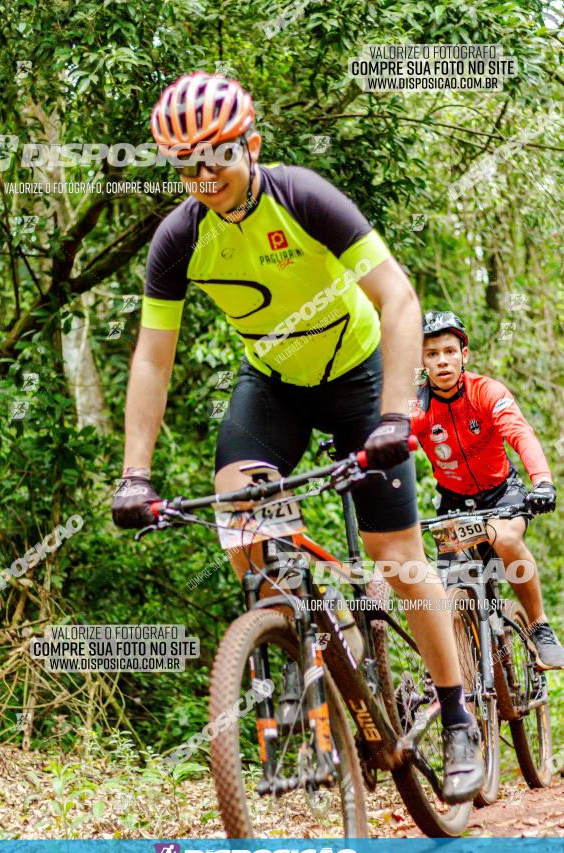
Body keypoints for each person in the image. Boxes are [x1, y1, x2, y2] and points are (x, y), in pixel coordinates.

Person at [111, 71, 484, 802]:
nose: (202, 176)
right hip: (274, 386)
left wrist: (397, 414)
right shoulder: (179, 238)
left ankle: (455, 713)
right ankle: (298, 673)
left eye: (216, 156)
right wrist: (134, 475)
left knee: (398, 557)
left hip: (358, 379)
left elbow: (398, 297)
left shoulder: (303, 196)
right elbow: (154, 356)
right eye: (184, 165)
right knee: (240, 525)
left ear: (250, 145)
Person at [412, 310, 563, 669]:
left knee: (504, 538)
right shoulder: (415, 405)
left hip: (501, 494)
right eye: (432, 354)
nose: (442, 361)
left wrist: (542, 481)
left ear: (464, 354)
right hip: (453, 503)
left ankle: (540, 627)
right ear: (422, 361)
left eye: (449, 351)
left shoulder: (486, 391)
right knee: (443, 590)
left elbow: (520, 434)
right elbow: (395, 444)